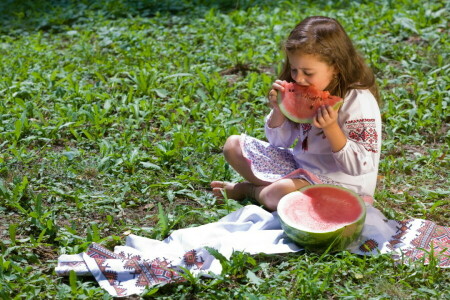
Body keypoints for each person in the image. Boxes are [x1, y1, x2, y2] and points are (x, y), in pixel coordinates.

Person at [211, 16, 382, 211]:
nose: (299, 78)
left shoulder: (358, 99)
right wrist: (279, 111)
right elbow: (279, 142)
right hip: (301, 168)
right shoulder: (300, 88)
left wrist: (331, 128)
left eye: (308, 73)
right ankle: (276, 191)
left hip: (345, 185)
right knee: (233, 146)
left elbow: (360, 167)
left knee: (280, 192)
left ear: (335, 67)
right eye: (294, 69)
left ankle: (250, 191)